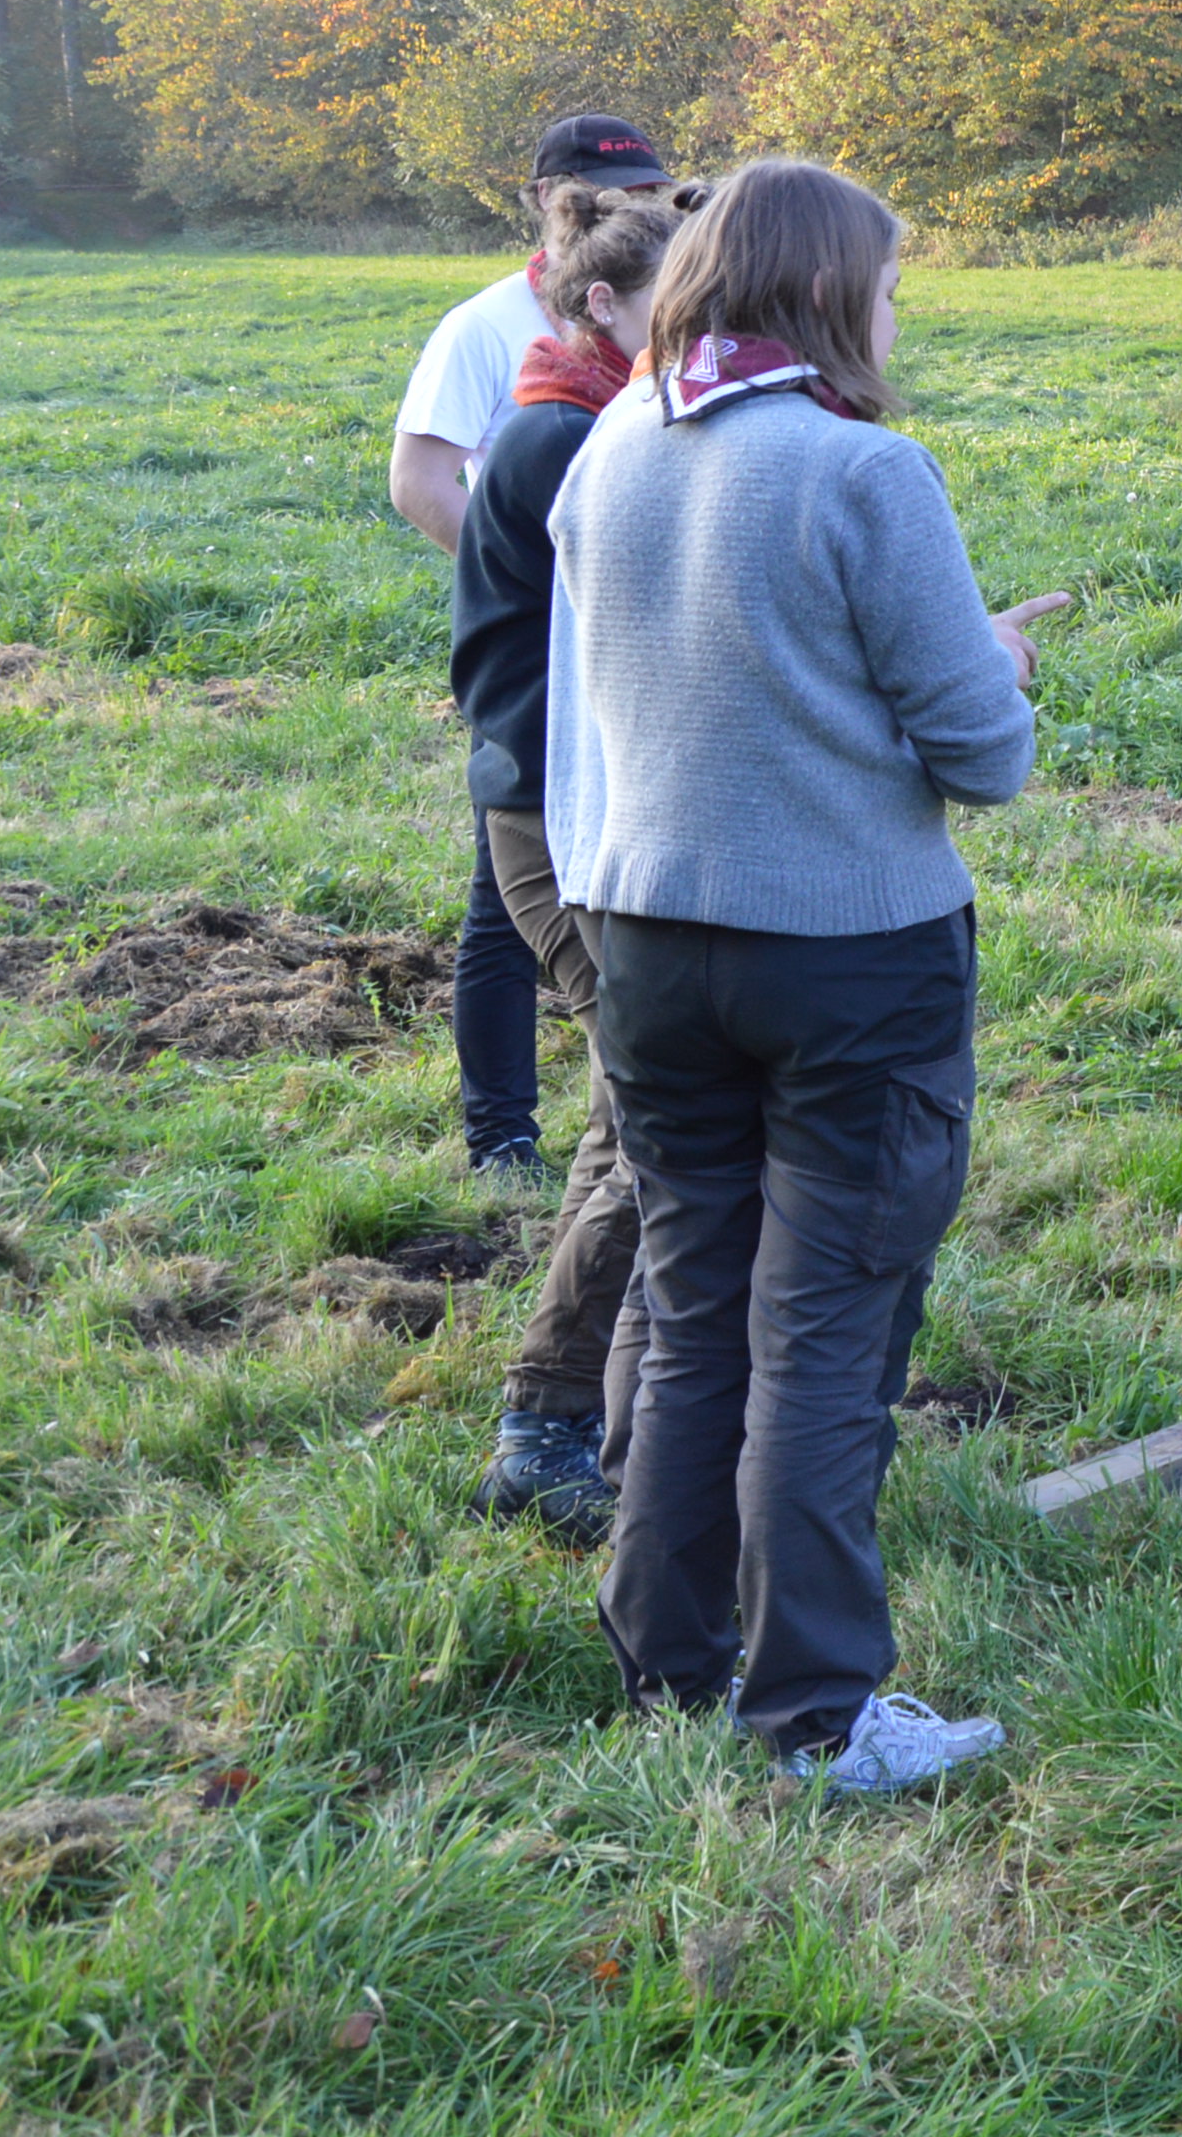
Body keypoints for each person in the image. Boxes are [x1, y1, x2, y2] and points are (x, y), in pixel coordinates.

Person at [548, 158, 1072, 1795]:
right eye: (891, 288)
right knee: (827, 1333)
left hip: (649, 944)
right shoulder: (865, 472)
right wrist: (994, 659)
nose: (898, 318)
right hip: (851, 962)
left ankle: (669, 1661)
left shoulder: (612, 447)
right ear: (833, 292)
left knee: (694, 1307)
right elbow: (983, 756)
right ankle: (820, 1717)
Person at [452, 179, 686, 1542]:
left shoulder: (589, 414)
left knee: (632, 1110)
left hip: (588, 806)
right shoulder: (564, 437)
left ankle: (575, 1416)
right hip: (555, 819)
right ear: (604, 303)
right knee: (657, 1115)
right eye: (676, 299)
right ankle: (549, 1429)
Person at [390, 112, 685, 1174]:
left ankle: (610, 1151)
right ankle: (501, 1134)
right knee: (505, 902)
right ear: (545, 202)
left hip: (608, 666)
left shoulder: (665, 298)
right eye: (609, 193)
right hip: (536, 666)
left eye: (649, 190)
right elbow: (419, 478)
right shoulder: (488, 326)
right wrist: (523, 579)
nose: (632, 206)